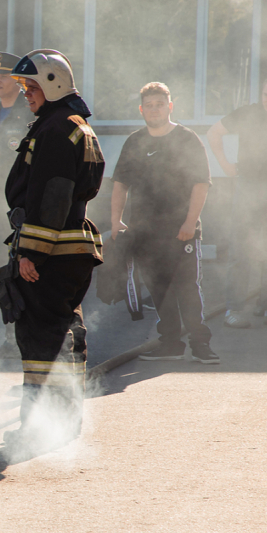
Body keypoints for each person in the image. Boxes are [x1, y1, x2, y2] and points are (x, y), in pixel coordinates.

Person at [0, 50, 104, 452]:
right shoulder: (74, 125)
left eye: (32, 86)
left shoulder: (57, 130)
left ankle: (36, 431)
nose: (26, 93)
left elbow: (52, 196)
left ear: (53, 84)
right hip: (72, 249)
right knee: (64, 334)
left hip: (53, 252)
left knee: (41, 338)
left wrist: (32, 253)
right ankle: (62, 424)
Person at [110, 82, 217, 364]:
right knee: (159, 289)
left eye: (160, 105)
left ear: (170, 107)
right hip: (144, 232)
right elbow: (120, 183)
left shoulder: (187, 138)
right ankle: (170, 344)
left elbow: (201, 184)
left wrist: (190, 223)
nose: (154, 110)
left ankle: (201, 345)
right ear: (141, 109)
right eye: (149, 106)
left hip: (181, 230)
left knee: (187, 288)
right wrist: (116, 220)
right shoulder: (135, 141)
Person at [207, 73, 267, 328]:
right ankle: (233, 311)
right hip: (249, 189)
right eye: (266, 94)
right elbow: (214, 133)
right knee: (241, 251)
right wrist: (225, 165)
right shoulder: (247, 113)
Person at [0, 52, 36, 358]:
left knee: (29, 271)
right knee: (6, 273)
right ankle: (11, 340)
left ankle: (37, 340)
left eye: (3, 76)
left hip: (24, 206)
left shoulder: (30, 113)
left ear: (17, 80)